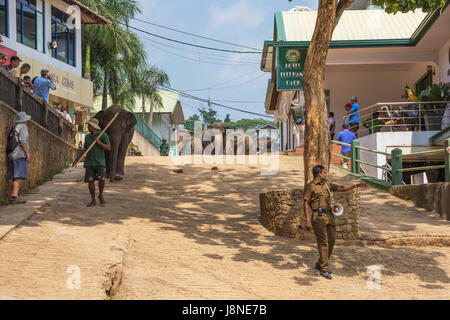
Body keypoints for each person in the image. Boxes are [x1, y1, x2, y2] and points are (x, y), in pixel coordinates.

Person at [304, 165, 367, 280]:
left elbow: (341, 188)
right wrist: (307, 219)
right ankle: (324, 268)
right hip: (318, 217)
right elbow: (306, 203)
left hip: (329, 215)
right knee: (323, 242)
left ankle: (321, 263)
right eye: (324, 173)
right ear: (318, 174)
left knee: (332, 240)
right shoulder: (310, 186)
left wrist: (356, 185)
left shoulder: (327, 184)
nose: (325, 174)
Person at [72, 118, 111, 207]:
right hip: (89, 163)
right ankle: (93, 200)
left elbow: (108, 148)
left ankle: (100, 195)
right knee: (90, 181)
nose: (88, 127)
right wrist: (77, 160)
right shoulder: (88, 137)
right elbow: (85, 149)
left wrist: (99, 142)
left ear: (93, 126)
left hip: (100, 162)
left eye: (89, 125)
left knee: (101, 180)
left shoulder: (103, 135)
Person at [7, 112, 32, 205]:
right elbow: (22, 141)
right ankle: (14, 197)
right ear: (24, 120)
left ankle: (14, 196)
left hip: (12, 154)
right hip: (19, 154)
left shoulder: (15, 127)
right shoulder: (23, 127)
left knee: (15, 176)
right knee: (18, 176)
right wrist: (27, 154)